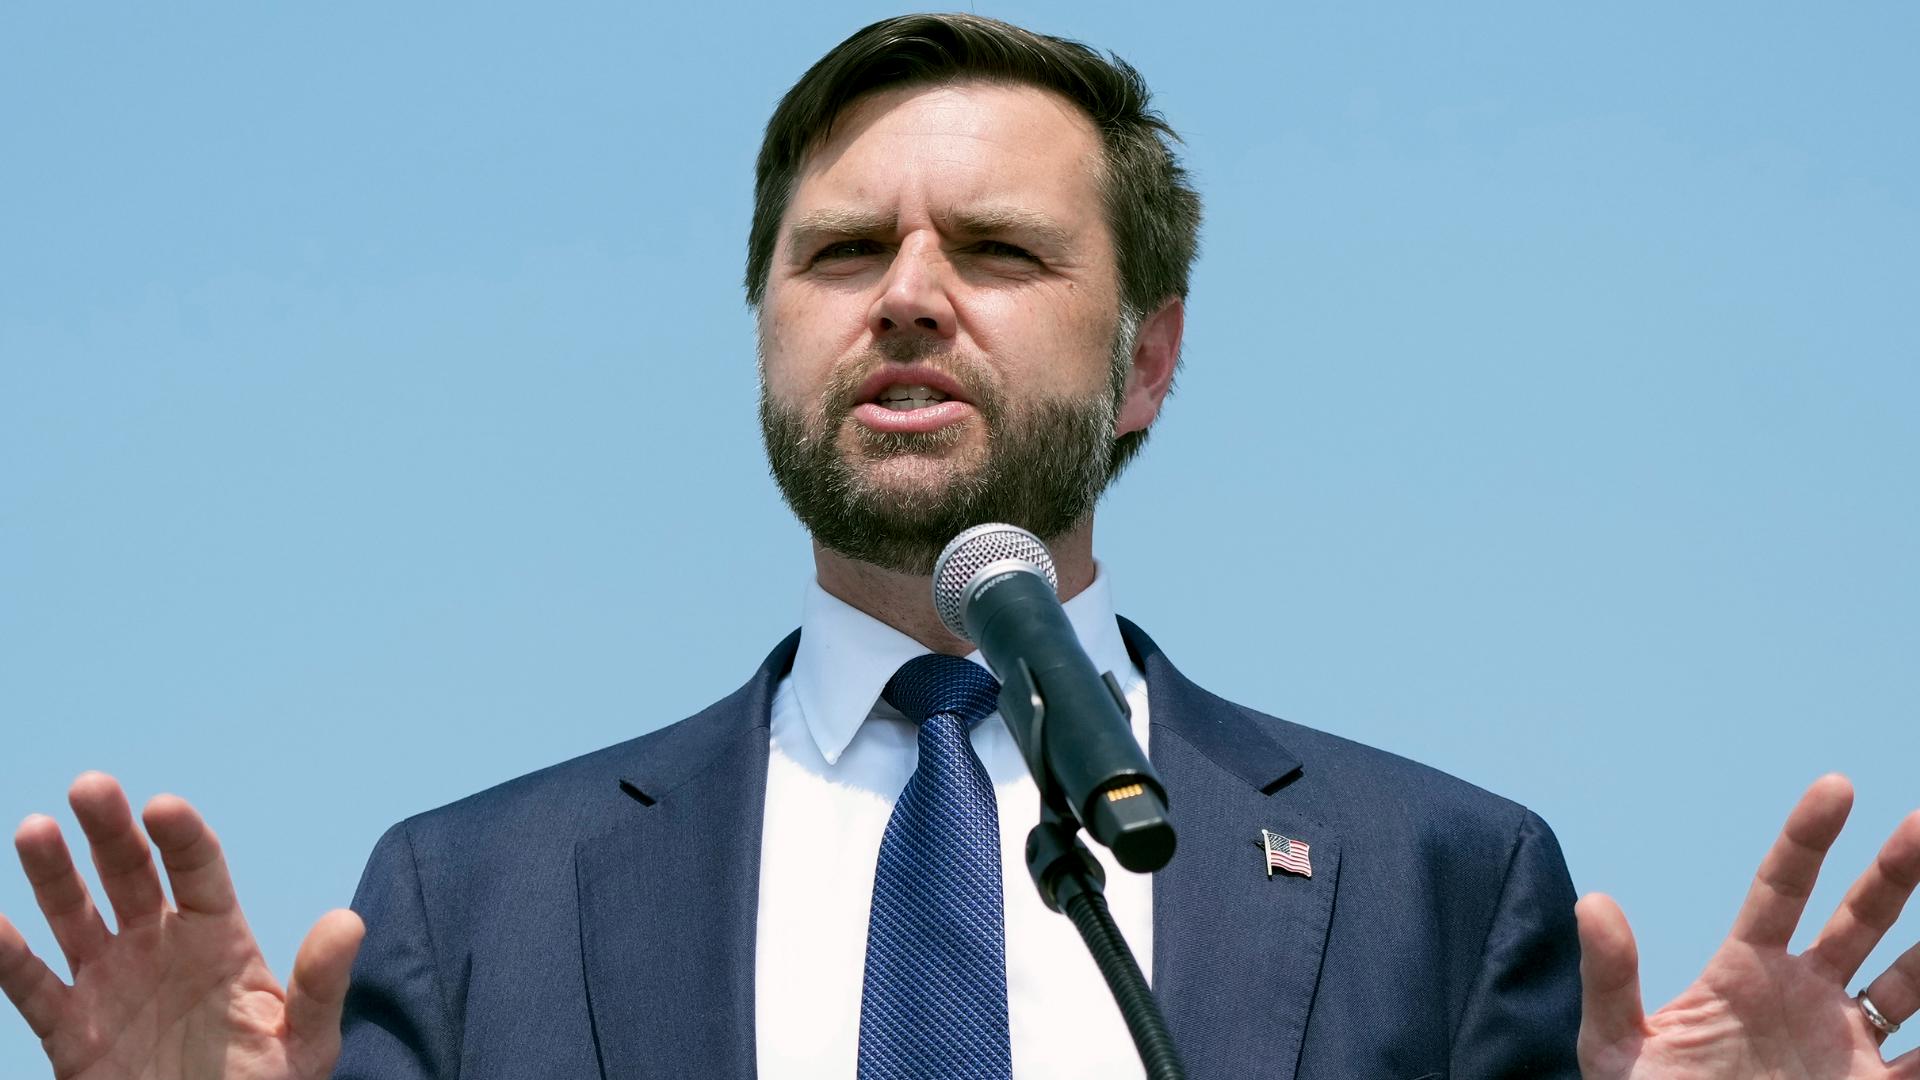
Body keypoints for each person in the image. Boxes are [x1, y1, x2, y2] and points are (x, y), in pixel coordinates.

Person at [2, 12, 1916, 1080]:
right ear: (763, 335)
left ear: (1149, 353)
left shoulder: (1442, 882)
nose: (909, 298)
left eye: (998, 253)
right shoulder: (475, 901)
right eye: (841, 255)